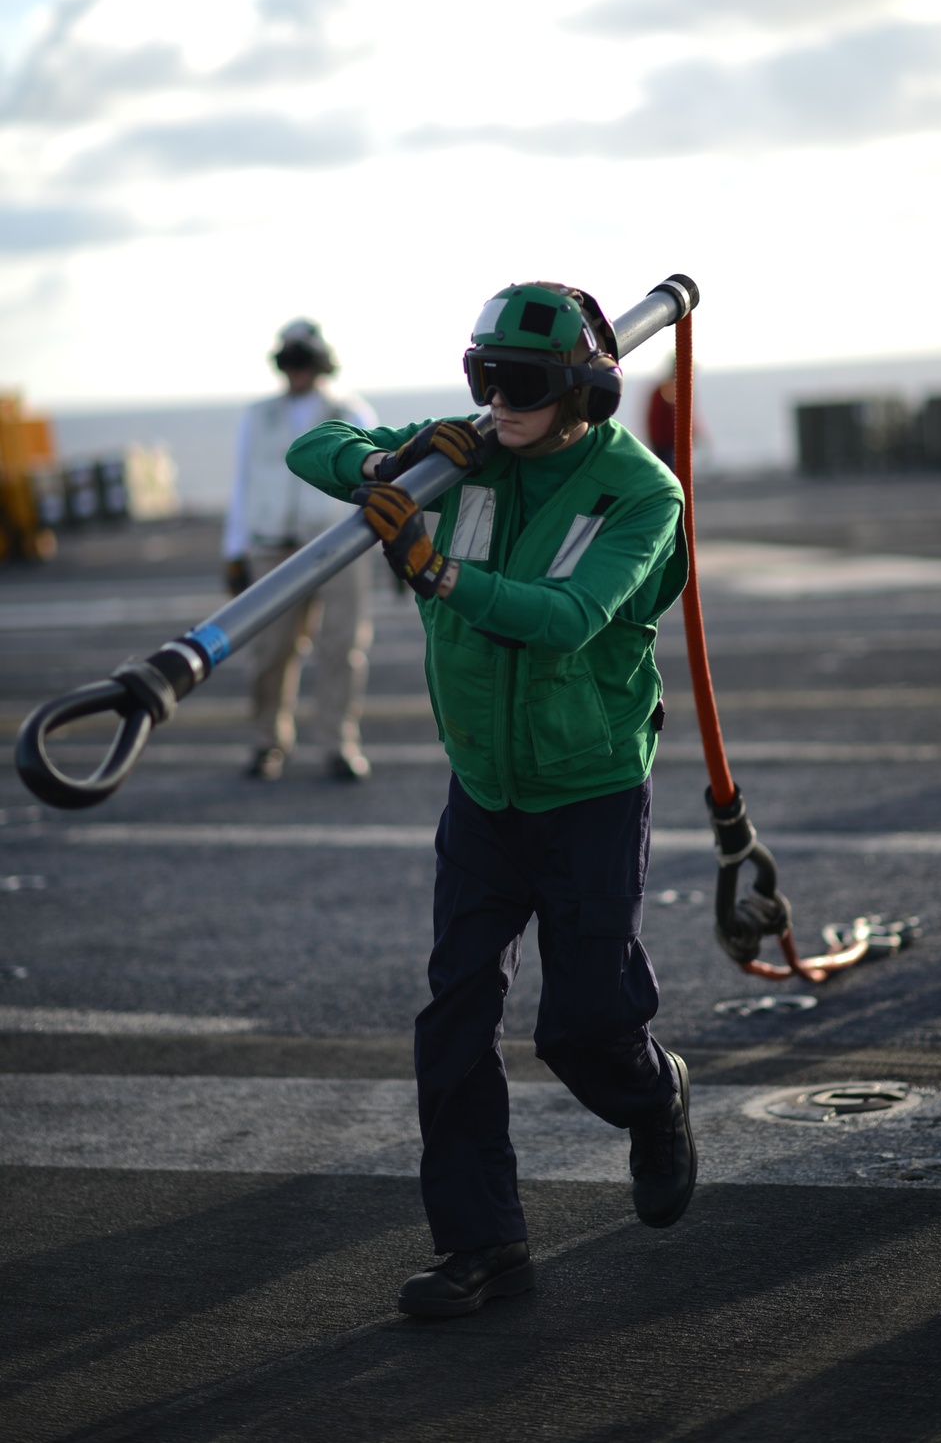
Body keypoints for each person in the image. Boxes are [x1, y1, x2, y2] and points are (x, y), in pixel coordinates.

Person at [287, 282, 695, 1318]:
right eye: (482, 380)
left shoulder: (640, 493)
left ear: (582, 396)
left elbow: (567, 617)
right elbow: (315, 448)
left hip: (588, 792)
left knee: (584, 1027)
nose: (496, 403)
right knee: (454, 1025)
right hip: (482, 793)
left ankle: (655, 1098)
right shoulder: (463, 455)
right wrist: (386, 463)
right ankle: (482, 1242)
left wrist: (438, 578)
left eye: (518, 386)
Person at [222, 319, 378, 782]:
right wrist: (234, 550)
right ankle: (266, 742)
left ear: (321, 364)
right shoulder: (257, 416)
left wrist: (389, 543)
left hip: (339, 545)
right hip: (271, 546)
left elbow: (376, 482)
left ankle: (338, 743)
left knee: (343, 648)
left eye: (302, 361)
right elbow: (243, 484)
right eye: (288, 362)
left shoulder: (352, 412)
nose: (295, 371)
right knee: (270, 650)